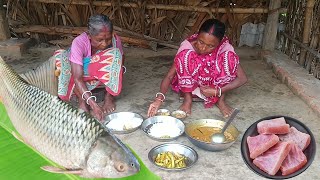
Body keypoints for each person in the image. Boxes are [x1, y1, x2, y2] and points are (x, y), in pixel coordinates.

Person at [147, 18, 247, 118]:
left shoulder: (225, 49)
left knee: (227, 58)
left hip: (216, 89)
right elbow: (169, 76)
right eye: (201, 42)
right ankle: (188, 99)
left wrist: (218, 91)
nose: (203, 48)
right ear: (197, 36)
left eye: (211, 46)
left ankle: (220, 100)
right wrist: (158, 100)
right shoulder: (187, 48)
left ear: (219, 43)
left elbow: (242, 78)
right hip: (191, 87)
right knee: (185, 56)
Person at [54, 14, 124, 121]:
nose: (104, 44)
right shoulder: (79, 42)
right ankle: (82, 100)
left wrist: (109, 96)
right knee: (61, 61)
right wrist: (93, 104)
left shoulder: (115, 40)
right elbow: (77, 78)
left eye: (108, 39)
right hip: (79, 74)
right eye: (99, 40)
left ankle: (109, 97)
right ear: (90, 36)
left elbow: (120, 65)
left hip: (97, 73)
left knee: (116, 56)